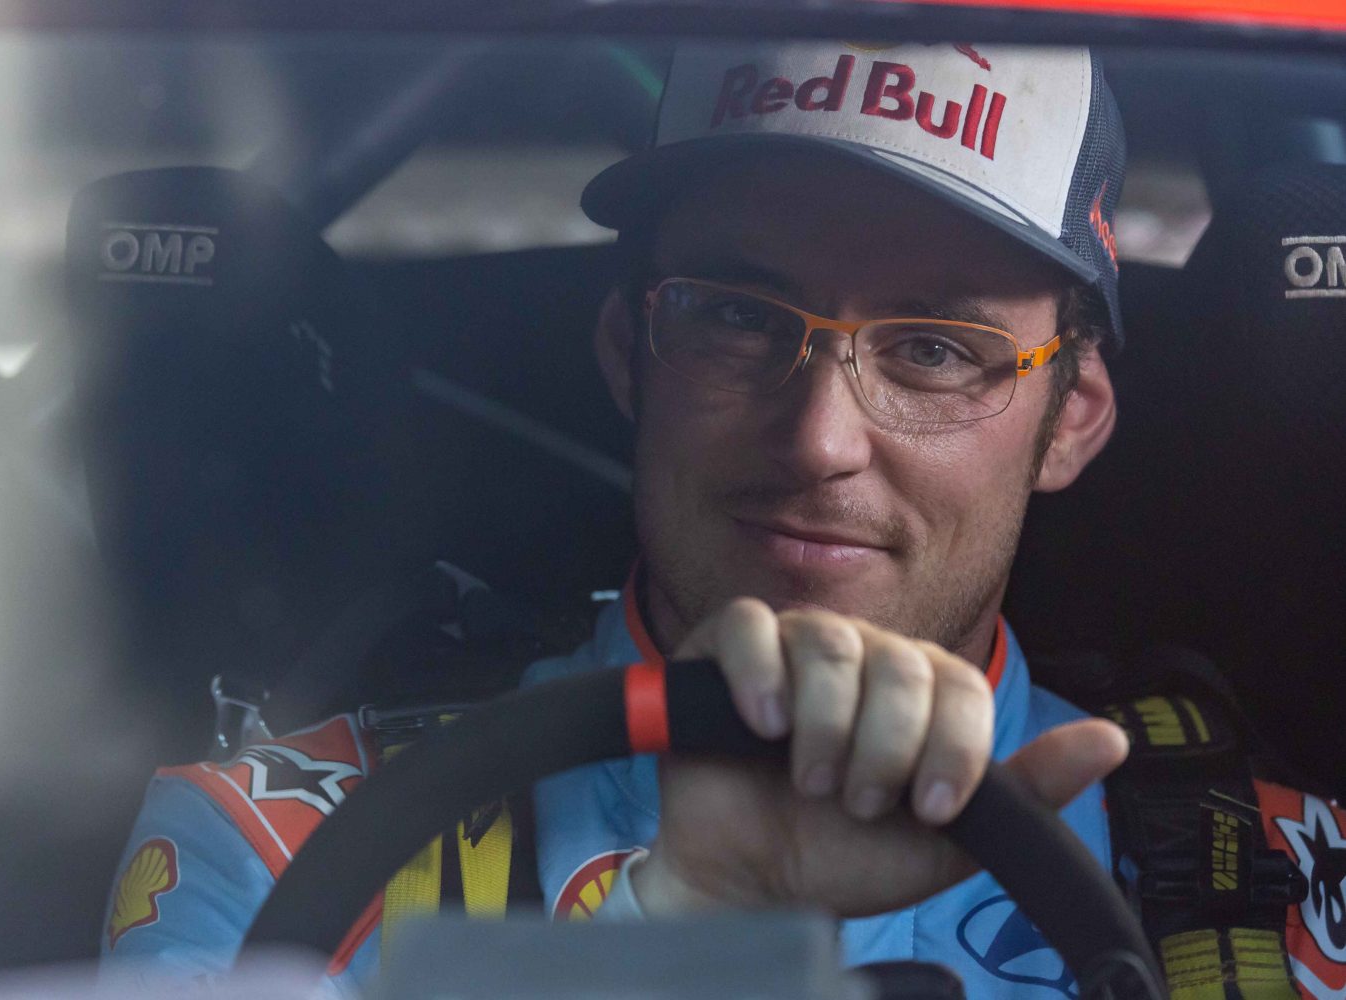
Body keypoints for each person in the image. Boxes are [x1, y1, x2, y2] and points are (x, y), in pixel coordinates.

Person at [98, 41, 1341, 998]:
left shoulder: (1295, 885)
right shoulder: (280, 847)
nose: (818, 439)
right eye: (738, 317)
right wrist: (683, 930)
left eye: (931, 349)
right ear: (626, 352)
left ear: (1071, 418)